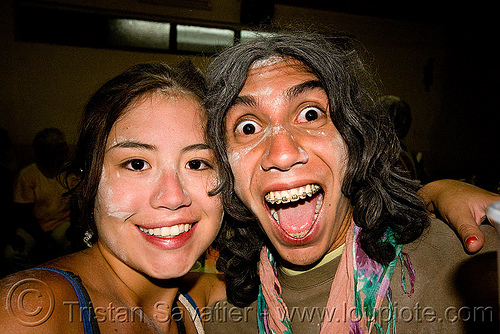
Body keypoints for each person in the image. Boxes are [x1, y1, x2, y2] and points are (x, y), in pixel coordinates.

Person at [203, 31, 499, 333]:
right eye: (248, 127)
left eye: (310, 113)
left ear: (355, 139)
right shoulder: (224, 324)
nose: (282, 154)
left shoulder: (472, 274)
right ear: (224, 168)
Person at [0, 62, 226, 333]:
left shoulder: (205, 301)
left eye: (197, 164)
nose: (173, 197)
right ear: (88, 181)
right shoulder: (28, 312)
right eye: (137, 164)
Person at [13, 128, 73, 260]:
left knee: (71, 248)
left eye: (64, 144)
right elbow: (24, 213)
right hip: (34, 226)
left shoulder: (69, 172)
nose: (66, 149)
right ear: (46, 151)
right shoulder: (28, 174)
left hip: (62, 224)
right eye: (59, 146)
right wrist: (42, 239)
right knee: (12, 254)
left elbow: (78, 203)